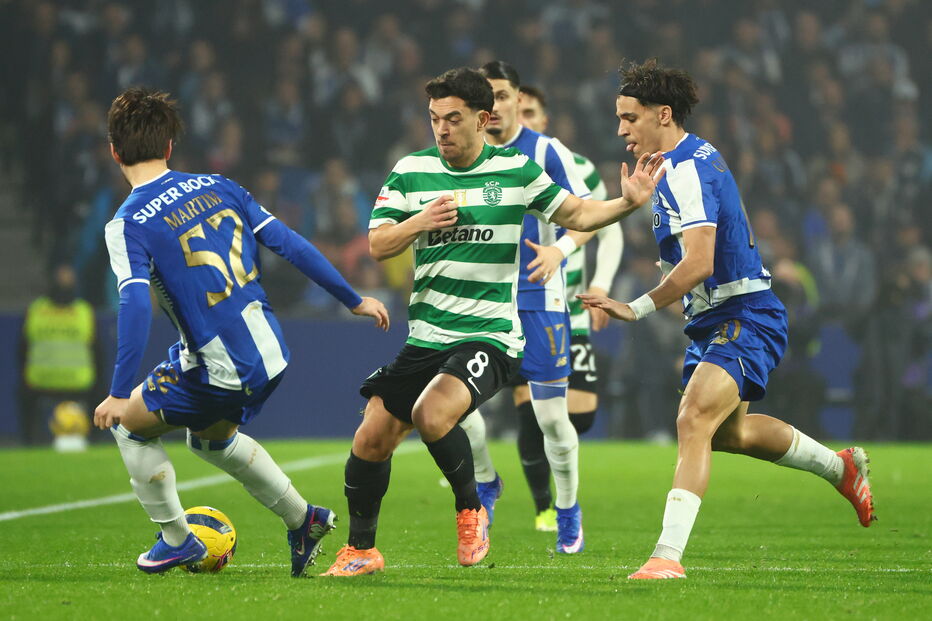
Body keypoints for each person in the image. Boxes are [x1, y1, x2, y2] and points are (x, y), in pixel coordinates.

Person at [322, 67, 664, 576]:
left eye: (453, 119)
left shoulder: (517, 171)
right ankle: (361, 550)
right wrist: (420, 222)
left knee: (432, 414)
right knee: (371, 436)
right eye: (434, 118)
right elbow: (377, 244)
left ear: (483, 120)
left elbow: (579, 215)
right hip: (427, 336)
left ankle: (473, 510)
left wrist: (628, 203)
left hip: (490, 335)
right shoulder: (410, 170)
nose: (441, 129)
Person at [577, 59, 876, 580]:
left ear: (662, 114)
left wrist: (638, 306)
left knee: (692, 417)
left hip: (745, 312)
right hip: (714, 319)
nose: (621, 130)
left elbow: (700, 262)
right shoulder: (678, 161)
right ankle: (840, 467)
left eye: (629, 118)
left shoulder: (686, 169)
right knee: (726, 435)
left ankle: (666, 558)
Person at [94, 87, 389, 577]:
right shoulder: (220, 185)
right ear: (170, 146)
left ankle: (176, 539)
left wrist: (119, 391)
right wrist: (353, 299)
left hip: (222, 364)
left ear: (113, 151)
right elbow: (289, 244)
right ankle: (304, 520)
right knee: (208, 440)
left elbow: (133, 304)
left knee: (129, 425)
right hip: (270, 349)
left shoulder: (127, 223)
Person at [513, 83, 624, 530]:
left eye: (530, 111)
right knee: (527, 408)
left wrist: (599, 285)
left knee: (579, 414)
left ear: (544, 119)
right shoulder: (493, 167)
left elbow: (608, 229)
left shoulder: (577, 168)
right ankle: (545, 507)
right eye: (513, 108)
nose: (521, 117)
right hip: (519, 305)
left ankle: (560, 489)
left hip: (570, 305)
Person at [19, 264, 102, 446]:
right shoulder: (36, 310)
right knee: (23, 394)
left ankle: (95, 443)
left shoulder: (83, 311)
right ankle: (30, 444)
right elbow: (23, 349)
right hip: (44, 382)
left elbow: (97, 353)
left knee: (101, 394)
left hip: (76, 383)